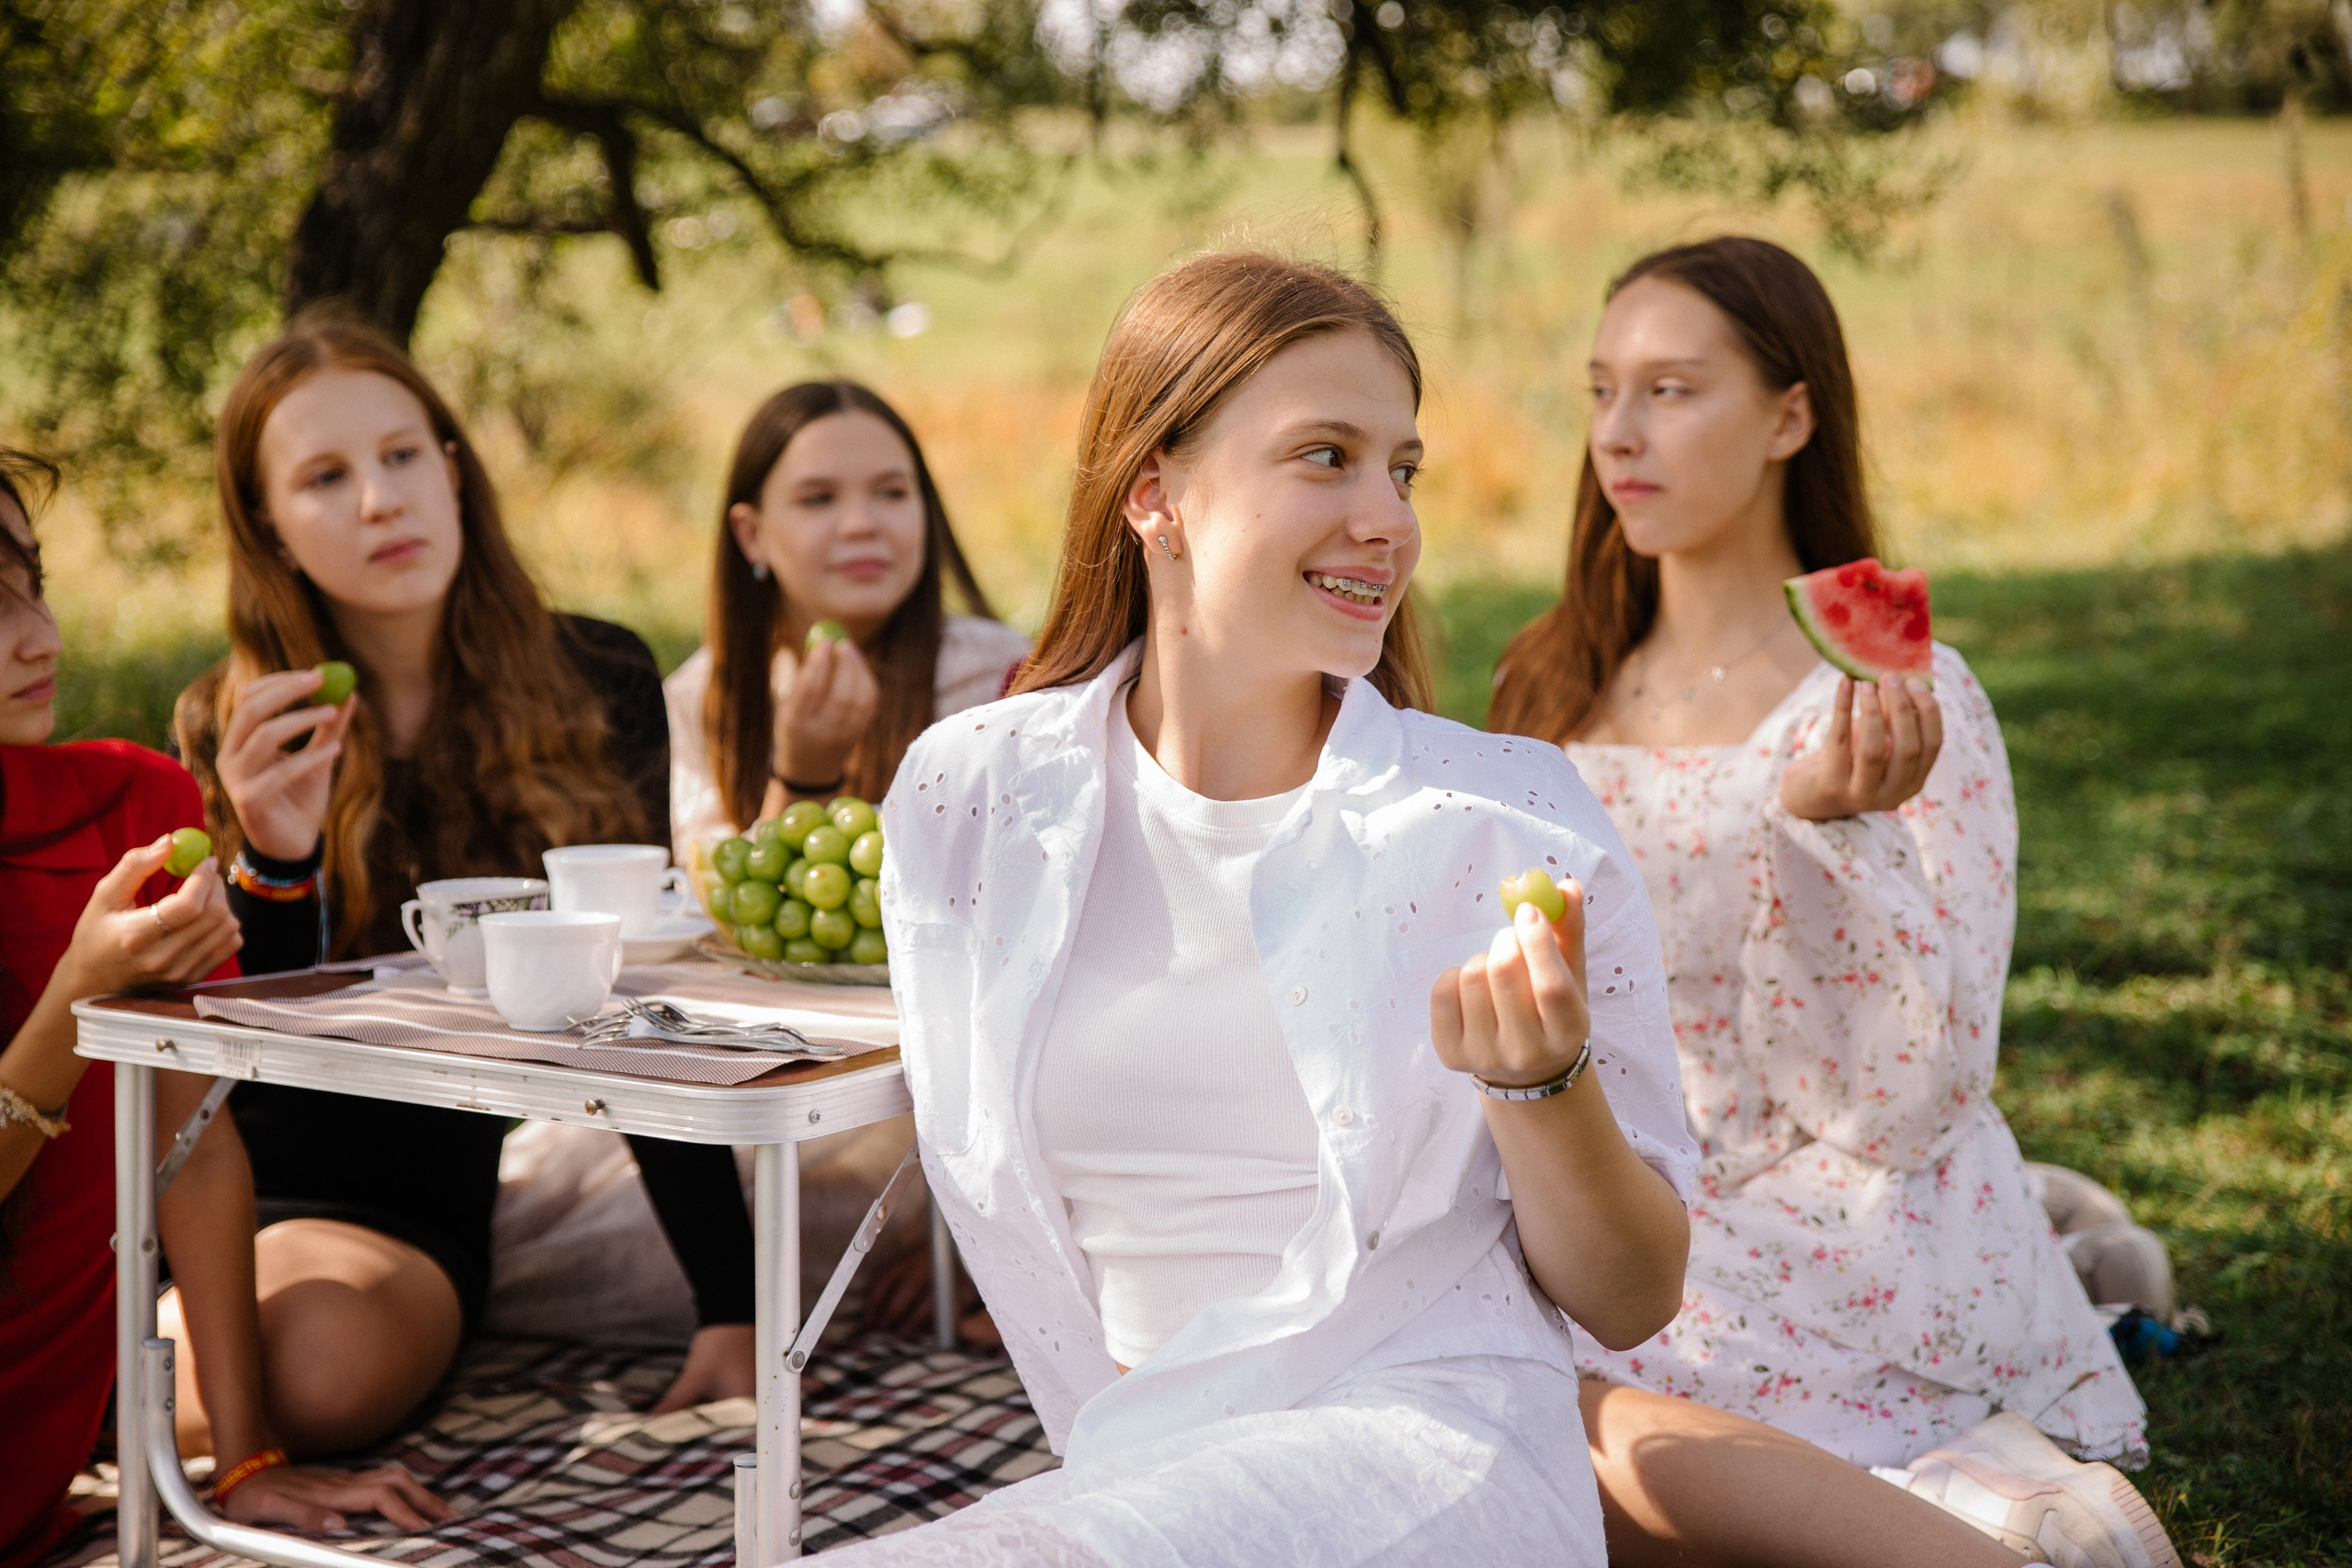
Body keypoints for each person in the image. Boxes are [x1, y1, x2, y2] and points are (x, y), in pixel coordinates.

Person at [828, 251, 1701, 1565]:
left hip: (1433, 1452)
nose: (1389, 519)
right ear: (1153, 491)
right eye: (1326, 457)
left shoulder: (1506, 825)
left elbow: (1633, 1298)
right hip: (1132, 1471)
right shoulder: (971, 799)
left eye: (1402, 469)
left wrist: (1544, 1084)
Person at [1490, 237, 2177, 1567]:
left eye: (1671, 390)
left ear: (1789, 416)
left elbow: (1915, 1095)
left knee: (1555, 1427)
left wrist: (1826, 833)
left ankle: (1982, 1479)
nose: (1619, 433)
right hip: (1605, 1177)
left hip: (1837, 1196)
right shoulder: (1549, 677)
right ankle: (2070, 1283)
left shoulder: (1902, 699)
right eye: (1602, 390)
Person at [168, 312, 759, 1464]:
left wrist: (730, 1308)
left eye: (401, 455)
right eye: (325, 478)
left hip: (401, 1213)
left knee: (315, 1376)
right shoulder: (233, 723)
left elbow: (630, 1003)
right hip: (224, 1183)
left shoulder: (599, 676)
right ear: (270, 525)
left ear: (450, 470)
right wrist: (276, 860)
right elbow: (234, 1047)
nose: (378, 501)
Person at [0, 449, 436, 1566]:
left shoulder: (132, 804)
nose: (42, 638)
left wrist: (246, 1463)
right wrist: (76, 1003)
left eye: (34, 586)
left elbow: (188, 1134)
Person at [664, 378, 1025, 861]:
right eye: (818, 498)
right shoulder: (696, 701)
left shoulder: (1001, 680)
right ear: (752, 535)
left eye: (891, 492)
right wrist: (802, 779)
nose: (861, 524)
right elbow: (712, 894)